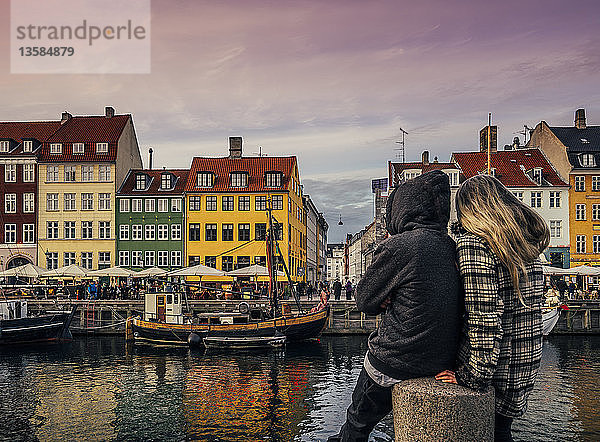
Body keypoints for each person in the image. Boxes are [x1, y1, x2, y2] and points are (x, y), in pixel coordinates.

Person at [329, 170, 462, 442]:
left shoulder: (401, 246)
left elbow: (364, 300)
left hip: (394, 360)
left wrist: (386, 297)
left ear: (402, 209)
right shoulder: (451, 246)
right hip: (439, 362)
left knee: (357, 423)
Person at [436, 174, 550, 442]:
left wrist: (472, 376)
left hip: (496, 371)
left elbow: (483, 316)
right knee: (502, 432)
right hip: (525, 363)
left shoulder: (475, 244)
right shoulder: (523, 244)